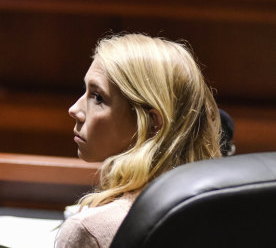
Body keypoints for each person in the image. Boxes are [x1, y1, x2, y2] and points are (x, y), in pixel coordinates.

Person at [55, 33, 222, 248]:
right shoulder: (219, 211)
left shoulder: (88, 230)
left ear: (153, 122)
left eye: (98, 97)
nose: (74, 110)